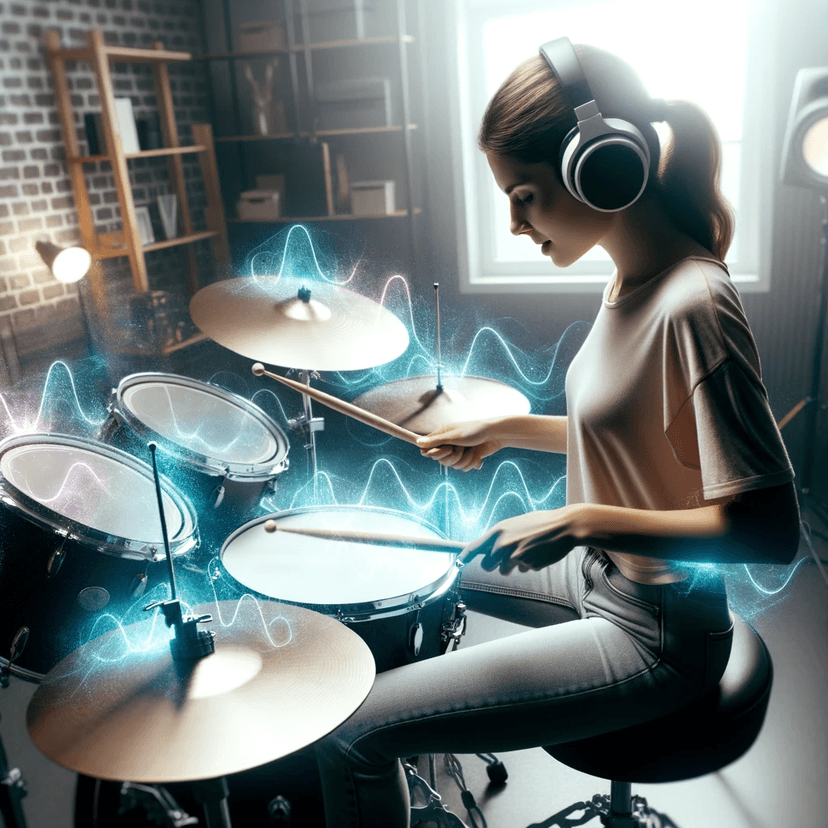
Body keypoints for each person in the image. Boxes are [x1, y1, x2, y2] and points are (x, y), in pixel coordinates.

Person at [315, 39, 800, 828]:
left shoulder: (694, 304)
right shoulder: (630, 280)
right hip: (597, 576)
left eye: (526, 196)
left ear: (599, 167)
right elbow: (631, 435)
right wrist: (506, 428)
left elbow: (769, 529)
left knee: (354, 733)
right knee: (404, 579)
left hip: (658, 631)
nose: (514, 223)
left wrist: (580, 520)